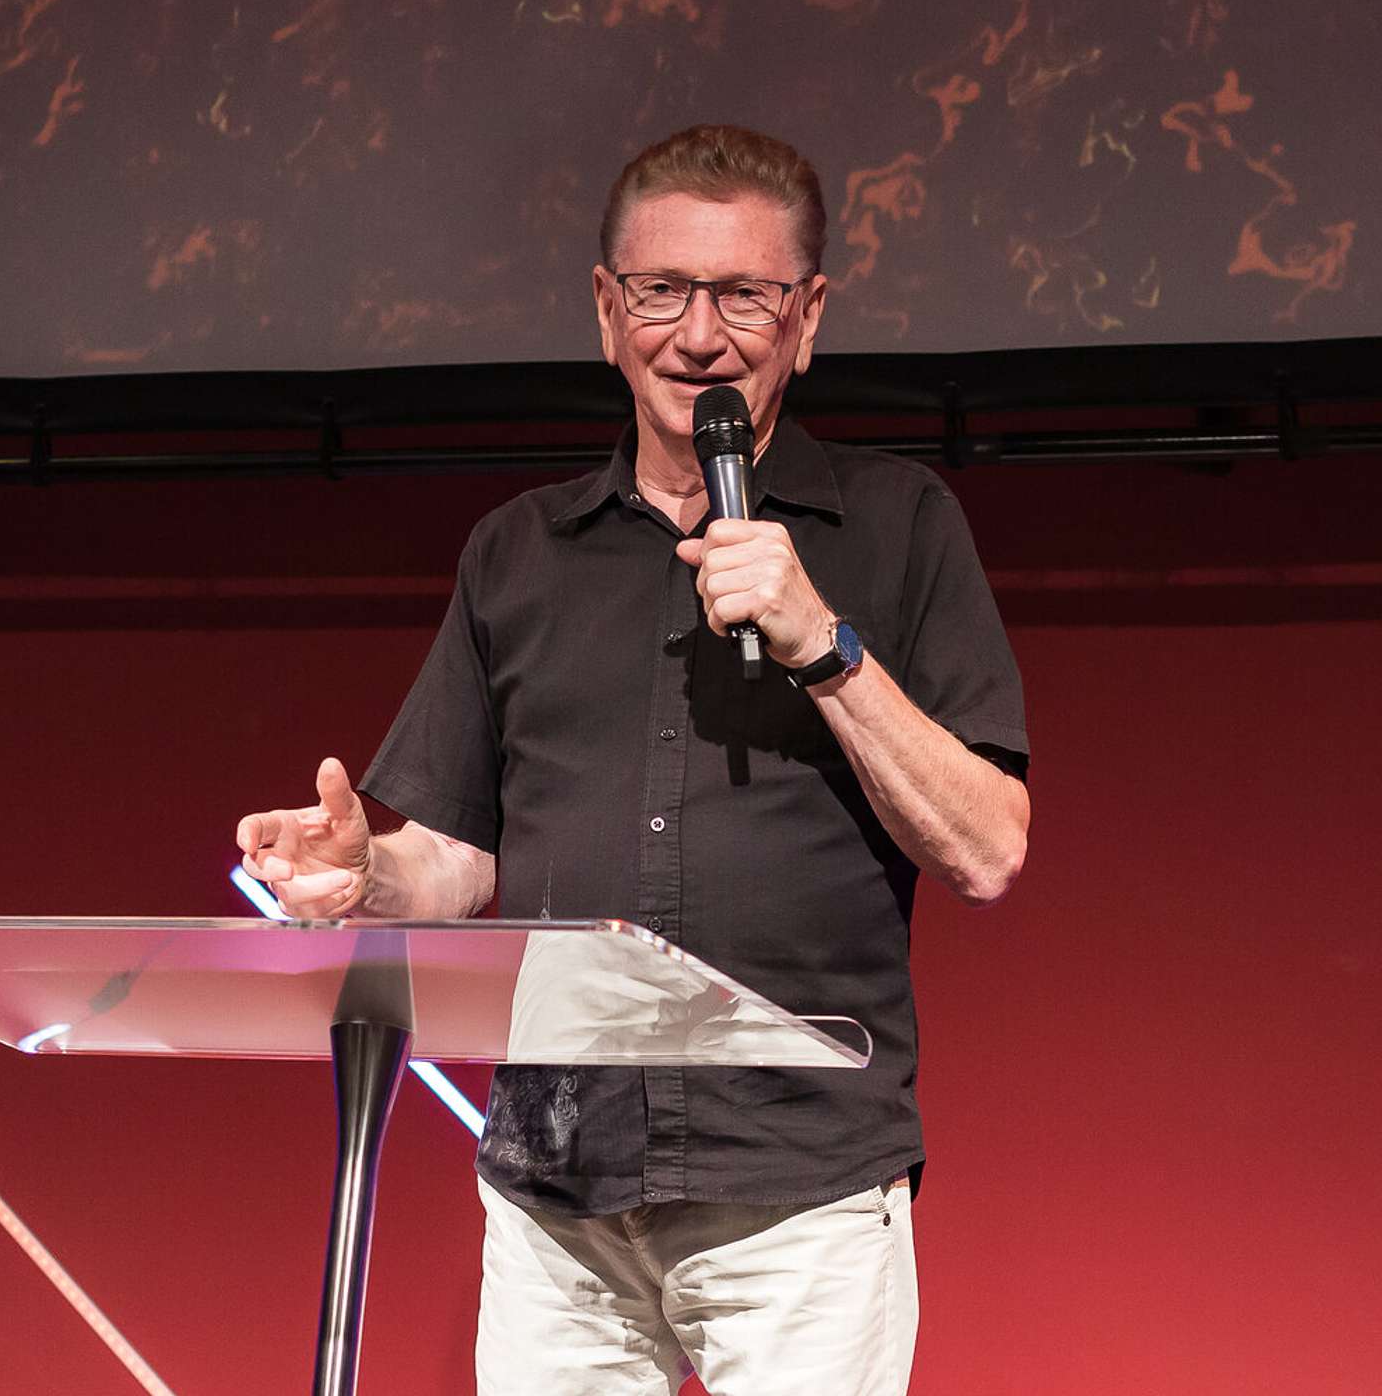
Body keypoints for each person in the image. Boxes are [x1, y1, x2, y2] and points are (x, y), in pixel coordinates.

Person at [236, 125, 1029, 1395]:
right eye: (661, 291)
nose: (698, 336)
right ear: (608, 311)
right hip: (557, 1191)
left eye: (744, 295)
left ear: (807, 318)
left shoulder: (898, 525)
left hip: (798, 1188)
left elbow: (987, 847)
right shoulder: (518, 552)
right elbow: (459, 857)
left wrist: (823, 643)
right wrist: (363, 875)